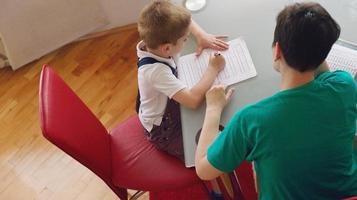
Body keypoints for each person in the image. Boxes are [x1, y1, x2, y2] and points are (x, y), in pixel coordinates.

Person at [195, 2, 357, 199]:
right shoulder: (344, 85)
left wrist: (213, 107)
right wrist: (314, 45)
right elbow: (323, 71)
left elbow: (204, 169)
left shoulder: (252, 120)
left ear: (277, 50)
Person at [136, 0, 228, 162]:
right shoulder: (155, 71)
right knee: (210, 153)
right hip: (166, 131)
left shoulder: (154, 42)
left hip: (173, 104)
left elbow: (186, 22)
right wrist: (213, 68)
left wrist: (201, 35)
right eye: (185, 40)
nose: (187, 40)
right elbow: (192, 101)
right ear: (167, 49)